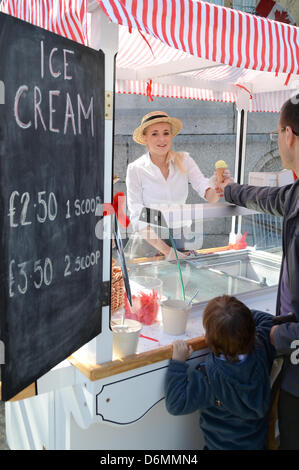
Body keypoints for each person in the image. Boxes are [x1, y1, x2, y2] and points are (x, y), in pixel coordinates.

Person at [220, 96, 299, 450]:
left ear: (287, 135)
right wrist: (228, 190)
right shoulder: (295, 194)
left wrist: (277, 337)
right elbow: (264, 196)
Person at [165, 295, 276, 450]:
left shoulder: (207, 377)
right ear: (251, 330)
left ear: (208, 339)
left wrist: (177, 362)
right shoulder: (263, 347)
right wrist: (237, 319)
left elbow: (176, 404)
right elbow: (269, 320)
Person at [126, 111, 222, 260]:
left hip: (181, 237)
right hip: (150, 241)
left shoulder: (184, 160)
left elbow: (209, 194)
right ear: (145, 138)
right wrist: (167, 251)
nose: (162, 139)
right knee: (149, 283)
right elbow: (137, 215)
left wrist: (219, 186)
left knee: (180, 282)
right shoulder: (136, 169)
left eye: (166, 133)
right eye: (154, 134)